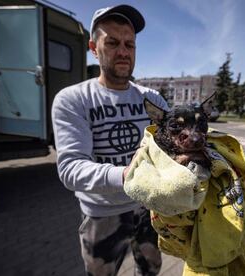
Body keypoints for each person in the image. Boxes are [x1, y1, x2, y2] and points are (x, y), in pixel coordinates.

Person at [51, 5, 169, 276]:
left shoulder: (152, 99)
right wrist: (128, 175)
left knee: (151, 269)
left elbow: (172, 142)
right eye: (113, 43)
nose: (123, 52)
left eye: (130, 44)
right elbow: (70, 169)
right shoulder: (73, 100)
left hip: (149, 209)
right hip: (103, 215)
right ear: (94, 47)